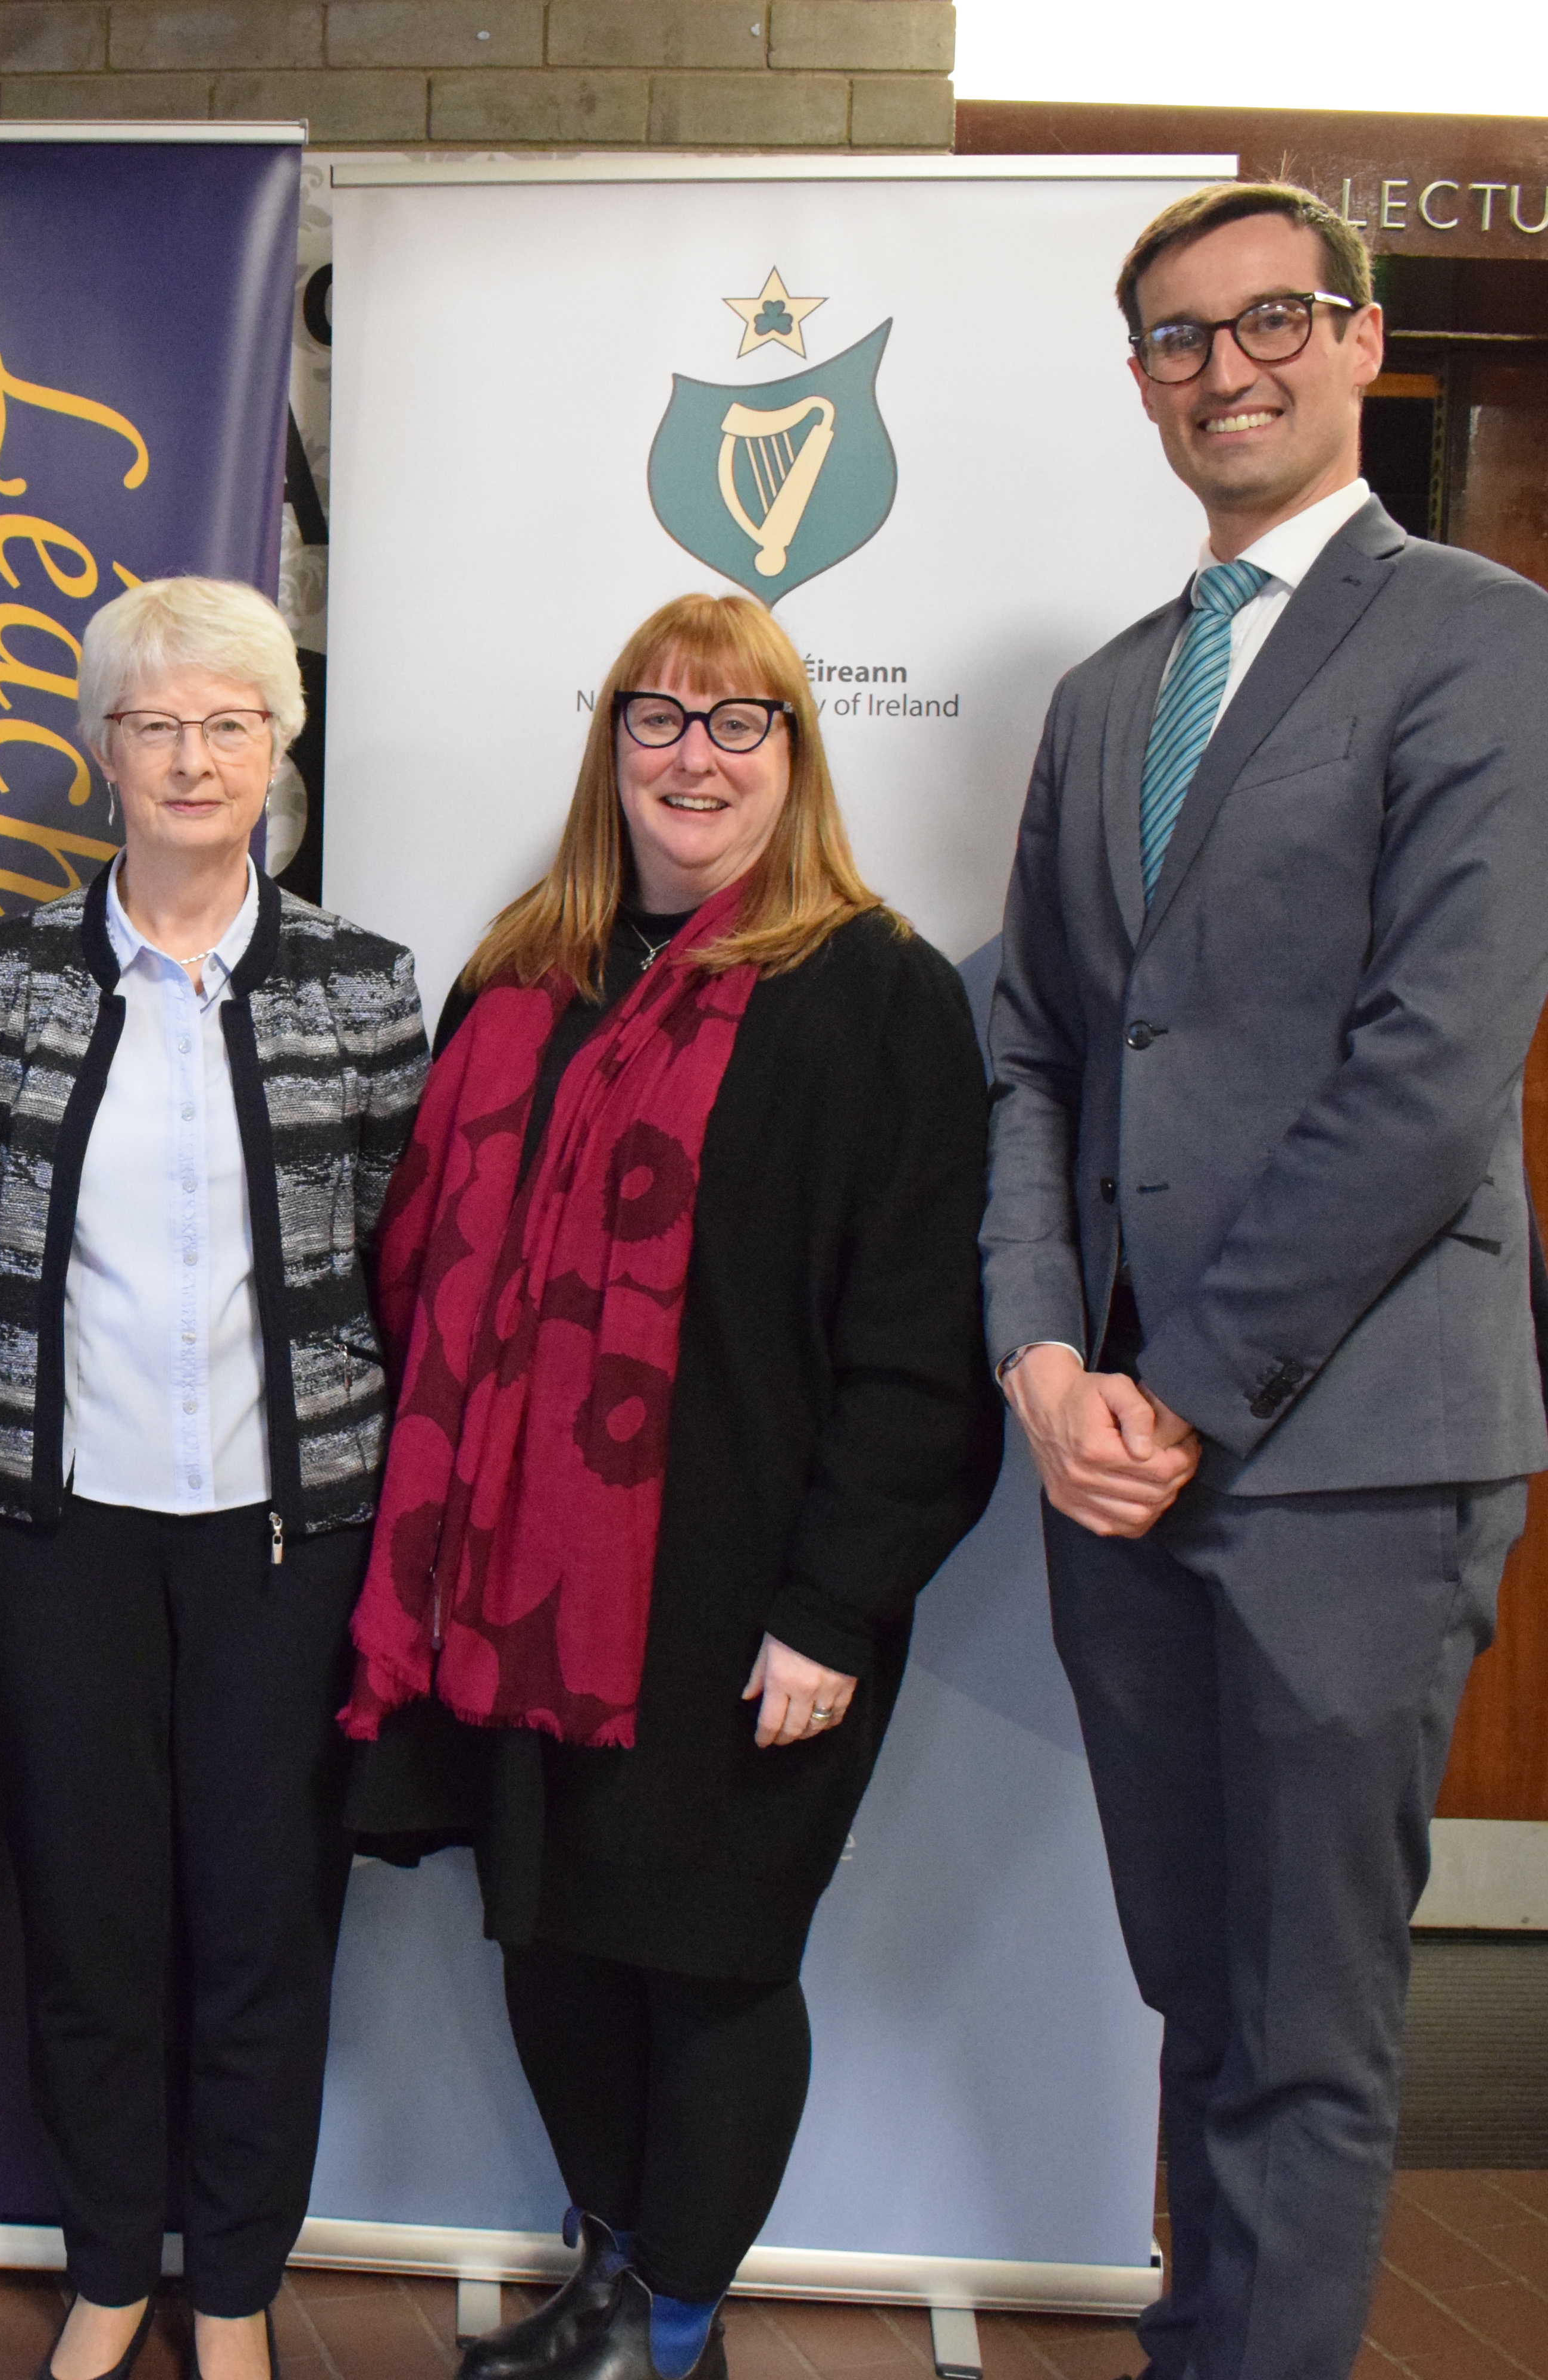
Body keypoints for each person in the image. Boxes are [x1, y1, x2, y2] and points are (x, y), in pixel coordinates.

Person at [983, 181, 1548, 2380]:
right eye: (1177, 338)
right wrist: (1046, 1351)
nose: (1224, 368)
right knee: (1199, 1992)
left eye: (1271, 321)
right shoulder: (1108, 694)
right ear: (1142, 383)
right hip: (1116, 1456)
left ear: (1359, 343)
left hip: (1351, 1454)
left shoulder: (1477, 637)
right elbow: (1039, 1047)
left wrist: (1184, 1389)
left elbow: (1432, 1073)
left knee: (1308, 2027)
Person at [342, 591, 999, 2380]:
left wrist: (833, 1608)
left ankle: (673, 2322)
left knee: (711, 1962)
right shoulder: (520, 978)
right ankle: (617, 2282)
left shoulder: (876, 992)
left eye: (737, 723)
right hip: (519, 1586)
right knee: (556, 1944)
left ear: (795, 753)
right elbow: (423, 1272)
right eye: (659, 718)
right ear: (611, 745)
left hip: (741, 1597)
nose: (694, 759)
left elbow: (920, 1346)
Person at [0, 578, 426, 2380]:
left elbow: (396, 1256)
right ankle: (108, 2267)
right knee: (88, 1921)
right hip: (53, 1529)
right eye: (158, 726)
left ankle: (230, 2287)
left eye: (232, 723)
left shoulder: (364, 986)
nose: (196, 759)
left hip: (288, 1539)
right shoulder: (2, 981)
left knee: (262, 1922)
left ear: (281, 747)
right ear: (105, 752)